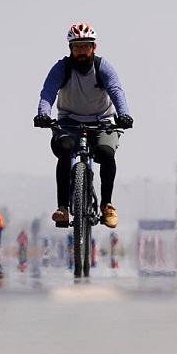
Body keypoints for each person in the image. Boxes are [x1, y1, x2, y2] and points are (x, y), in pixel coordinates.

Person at [33, 23, 133, 229]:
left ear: (93, 47)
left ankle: (107, 205)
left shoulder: (102, 67)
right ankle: (63, 207)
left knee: (106, 153)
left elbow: (116, 90)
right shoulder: (62, 68)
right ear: (70, 48)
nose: (81, 51)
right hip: (69, 121)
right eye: (77, 47)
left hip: (102, 120)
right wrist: (43, 114)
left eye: (85, 46)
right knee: (65, 151)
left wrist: (124, 114)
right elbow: (48, 92)